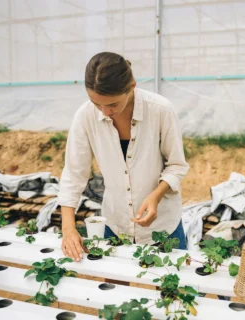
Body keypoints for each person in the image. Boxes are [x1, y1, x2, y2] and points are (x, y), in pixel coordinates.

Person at [57, 52, 189, 262]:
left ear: (132, 87)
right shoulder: (85, 116)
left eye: (113, 105)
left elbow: (176, 166)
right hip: (115, 223)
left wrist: (155, 196)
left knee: (172, 289)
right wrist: (69, 229)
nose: (104, 111)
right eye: (96, 103)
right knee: (114, 290)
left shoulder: (160, 110)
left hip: (163, 224)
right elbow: (74, 174)